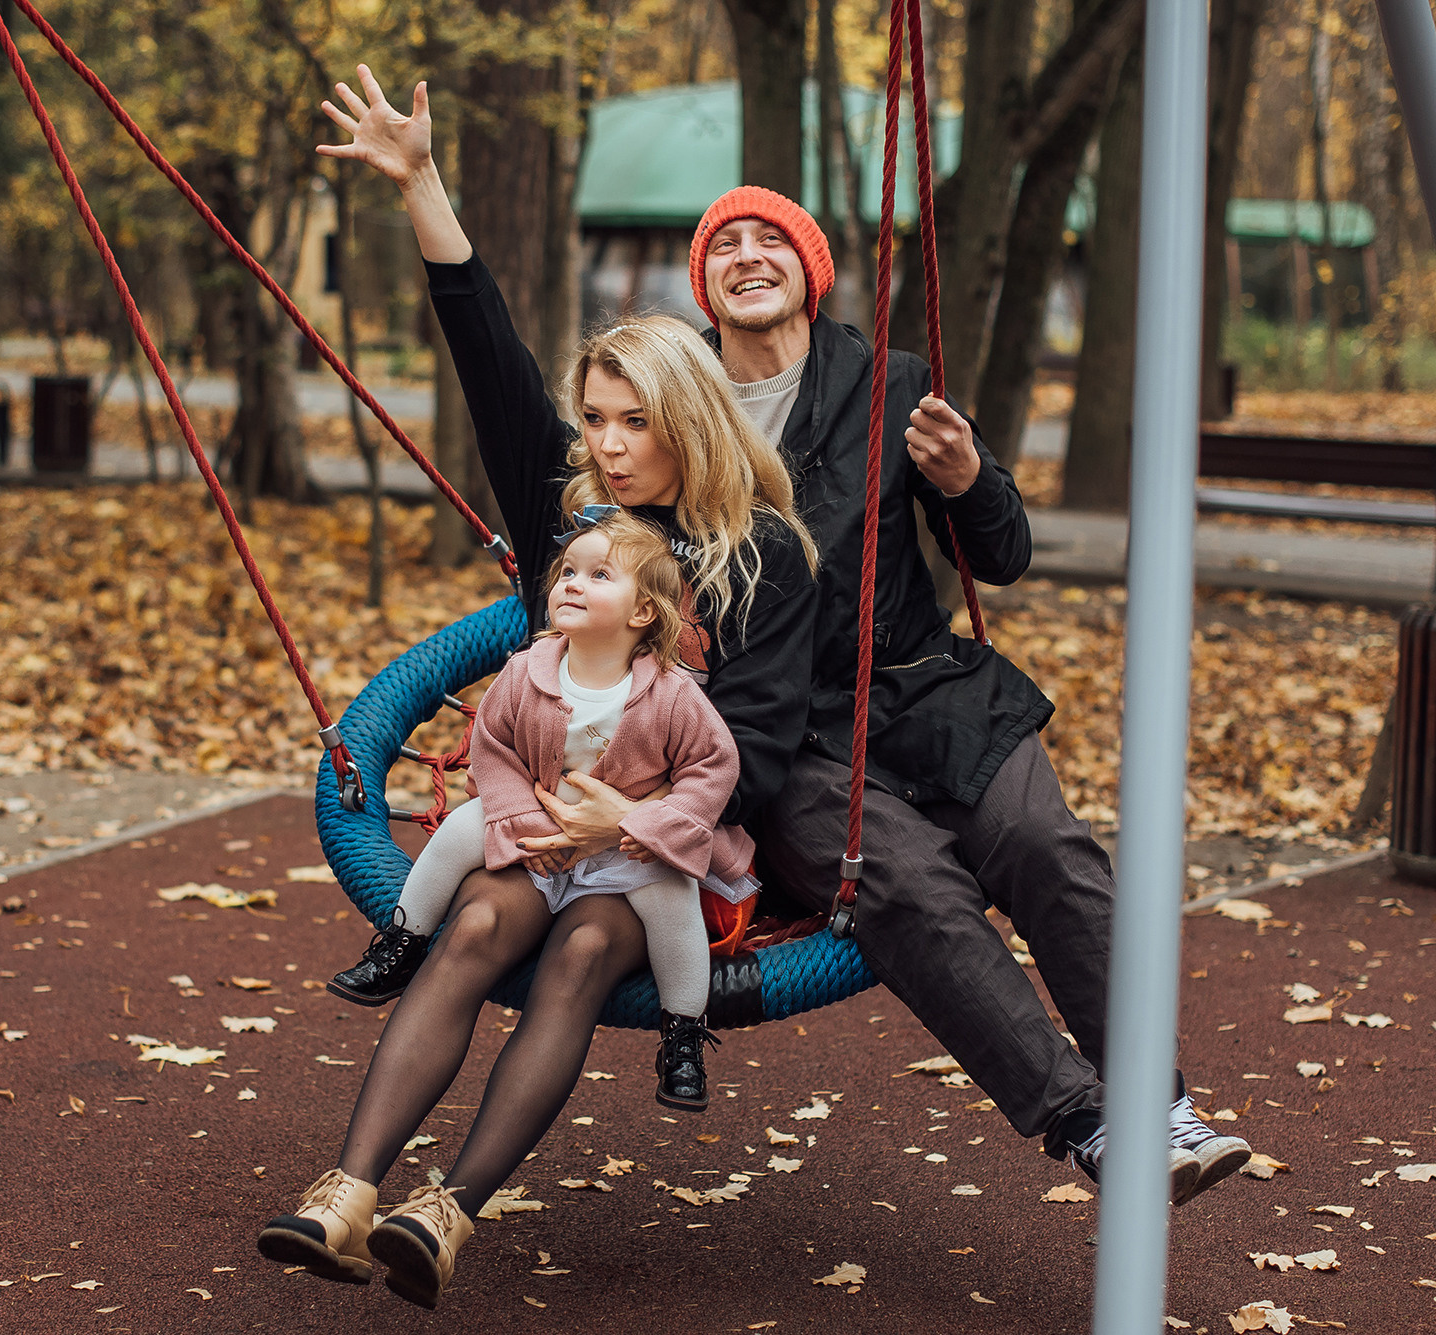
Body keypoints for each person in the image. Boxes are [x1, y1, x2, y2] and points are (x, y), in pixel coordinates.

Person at [254, 68, 819, 1312]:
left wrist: (631, 822)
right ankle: (344, 1193)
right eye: (594, 421)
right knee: (470, 927)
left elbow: (762, 752)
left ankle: (446, 1211)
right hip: (537, 831)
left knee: (579, 958)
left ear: (688, 424)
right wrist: (421, 187)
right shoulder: (569, 522)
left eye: (631, 423)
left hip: (672, 855)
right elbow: (487, 352)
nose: (604, 446)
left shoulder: (762, 558)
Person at [678, 184, 1253, 1201]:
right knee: (906, 890)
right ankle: (1084, 1121)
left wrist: (967, 479)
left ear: (810, 269)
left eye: (772, 238)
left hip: (921, 688)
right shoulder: (681, 402)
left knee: (1045, 847)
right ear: (705, 282)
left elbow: (1002, 554)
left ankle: (1154, 1100)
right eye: (725, 244)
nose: (748, 255)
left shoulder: (888, 382)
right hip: (785, 729)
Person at [329, 508, 770, 1110]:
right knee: (461, 827)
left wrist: (649, 826)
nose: (572, 582)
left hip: (628, 845)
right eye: (568, 571)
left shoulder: (672, 694)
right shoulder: (525, 672)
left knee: (674, 903)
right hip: (534, 838)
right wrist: (520, 817)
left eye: (598, 575)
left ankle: (684, 1031)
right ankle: (402, 940)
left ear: (643, 613)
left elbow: (712, 768)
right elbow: (491, 747)